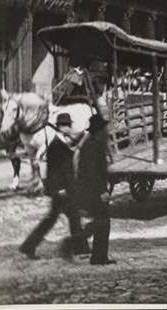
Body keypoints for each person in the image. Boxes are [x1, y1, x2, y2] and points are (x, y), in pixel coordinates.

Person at [19, 113, 89, 260]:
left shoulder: (62, 143)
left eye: (69, 125)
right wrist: (59, 189)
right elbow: (54, 171)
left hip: (64, 189)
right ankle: (80, 249)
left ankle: (29, 246)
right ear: (62, 127)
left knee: (70, 217)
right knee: (61, 218)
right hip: (61, 190)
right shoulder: (56, 145)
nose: (69, 128)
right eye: (67, 125)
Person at [61, 114, 114, 265]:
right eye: (104, 129)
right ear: (99, 130)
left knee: (100, 221)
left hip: (91, 189)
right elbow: (92, 173)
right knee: (102, 221)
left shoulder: (94, 143)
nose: (106, 131)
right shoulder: (92, 146)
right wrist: (102, 191)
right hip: (92, 191)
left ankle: (97, 256)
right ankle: (96, 255)